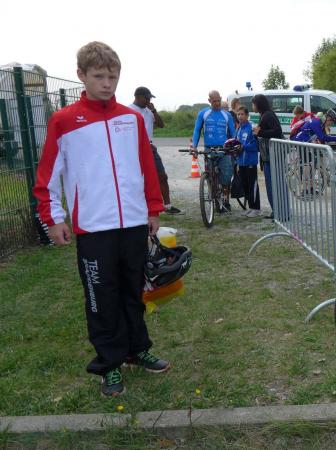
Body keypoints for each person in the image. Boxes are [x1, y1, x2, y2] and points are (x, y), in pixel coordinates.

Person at [33, 41, 169, 397]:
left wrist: (152, 208)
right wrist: (54, 218)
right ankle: (109, 363)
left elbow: (146, 166)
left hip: (133, 223)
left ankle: (137, 349)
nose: (107, 84)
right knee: (100, 297)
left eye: (113, 77)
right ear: (81, 75)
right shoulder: (63, 121)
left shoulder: (131, 118)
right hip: (93, 228)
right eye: (99, 76)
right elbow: (47, 175)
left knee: (134, 291)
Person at [128, 86, 181, 215]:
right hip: (134, 147)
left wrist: (154, 111)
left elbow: (161, 125)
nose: (148, 101)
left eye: (149, 98)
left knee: (162, 176)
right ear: (137, 97)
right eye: (146, 98)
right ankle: (137, 207)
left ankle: (167, 206)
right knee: (137, 179)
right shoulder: (128, 111)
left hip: (150, 147)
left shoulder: (149, 111)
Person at [191, 90, 236, 212]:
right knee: (210, 176)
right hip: (209, 149)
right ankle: (213, 197)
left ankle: (225, 200)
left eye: (218, 101)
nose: (217, 103)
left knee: (226, 177)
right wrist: (194, 146)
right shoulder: (203, 113)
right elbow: (197, 130)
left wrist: (234, 146)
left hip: (224, 149)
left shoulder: (227, 115)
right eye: (214, 101)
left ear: (221, 98)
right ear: (209, 101)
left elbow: (233, 133)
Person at [252, 94, 283, 220]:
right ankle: (276, 211)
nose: (253, 106)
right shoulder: (265, 115)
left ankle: (278, 212)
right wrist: (258, 133)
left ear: (258, 104)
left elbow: (277, 131)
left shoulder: (268, 115)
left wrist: (260, 132)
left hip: (272, 156)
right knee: (272, 185)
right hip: (268, 156)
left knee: (273, 185)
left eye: (253, 104)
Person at [235, 106, 261, 217]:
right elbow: (237, 143)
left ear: (247, 115)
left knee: (252, 185)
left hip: (250, 162)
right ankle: (250, 207)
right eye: (238, 114)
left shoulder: (251, 127)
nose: (240, 116)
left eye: (242, 114)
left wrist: (243, 147)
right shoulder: (239, 128)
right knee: (245, 185)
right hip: (241, 162)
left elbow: (255, 145)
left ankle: (256, 208)